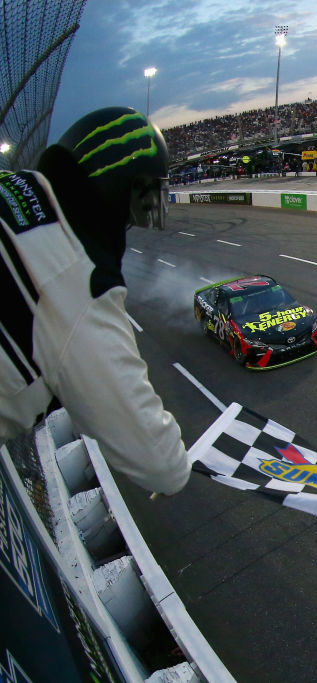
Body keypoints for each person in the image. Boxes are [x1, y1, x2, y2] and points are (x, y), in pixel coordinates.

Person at [0, 107, 190, 495]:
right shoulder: (84, 287)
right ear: (123, 190)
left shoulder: (10, 182)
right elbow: (164, 467)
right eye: (147, 196)